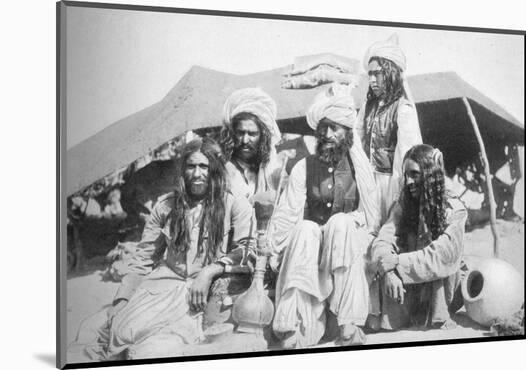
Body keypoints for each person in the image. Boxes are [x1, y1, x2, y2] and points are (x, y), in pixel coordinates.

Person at [68, 138, 256, 361]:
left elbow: (246, 251)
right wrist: (122, 300)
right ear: (183, 169)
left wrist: (209, 271)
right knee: (112, 332)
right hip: (162, 288)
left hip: (198, 295)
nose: (197, 174)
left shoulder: (234, 204)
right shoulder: (166, 205)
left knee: (150, 350)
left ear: (214, 169)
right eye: (191, 166)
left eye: (203, 166)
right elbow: (143, 258)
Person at [269, 86, 379, 348]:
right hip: (314, 246)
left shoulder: (359, 169)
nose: (328, 134)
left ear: (347, 133)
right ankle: (294, 326)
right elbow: (287, 215)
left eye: (335, 128)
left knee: (341, 223)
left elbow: (370, 215)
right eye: (324, 128)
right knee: (306, 228)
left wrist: (347, 224)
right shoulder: (303, 167)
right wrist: (274, 247)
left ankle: (348, 324)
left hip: (348, 243)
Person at [368, 144, 467, 331]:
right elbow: (382, 241)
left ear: (430, 175)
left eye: (415, 174)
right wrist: (389, 272)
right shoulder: (403, 205)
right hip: (408, 282)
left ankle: (438, 318)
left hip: (442, 288)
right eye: (406, 175)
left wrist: (395, 262)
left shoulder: (454, 209)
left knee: (438, 266)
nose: (408, 182)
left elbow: (440, 257)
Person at [357, 34, 423, 223]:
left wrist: (397, 195)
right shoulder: (367, 107)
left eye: (376, 73)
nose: (371, 80)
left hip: (390, 186)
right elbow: (355, 138)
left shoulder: (403, 109)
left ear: (390, 72)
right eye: (369, 74)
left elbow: (407, 158)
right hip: (367, 183)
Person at [219, 87, 286, 202]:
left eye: (252, 134)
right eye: (240, 133)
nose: (245, 140)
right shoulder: (222, 168)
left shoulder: (271, 166)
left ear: (262, 137)